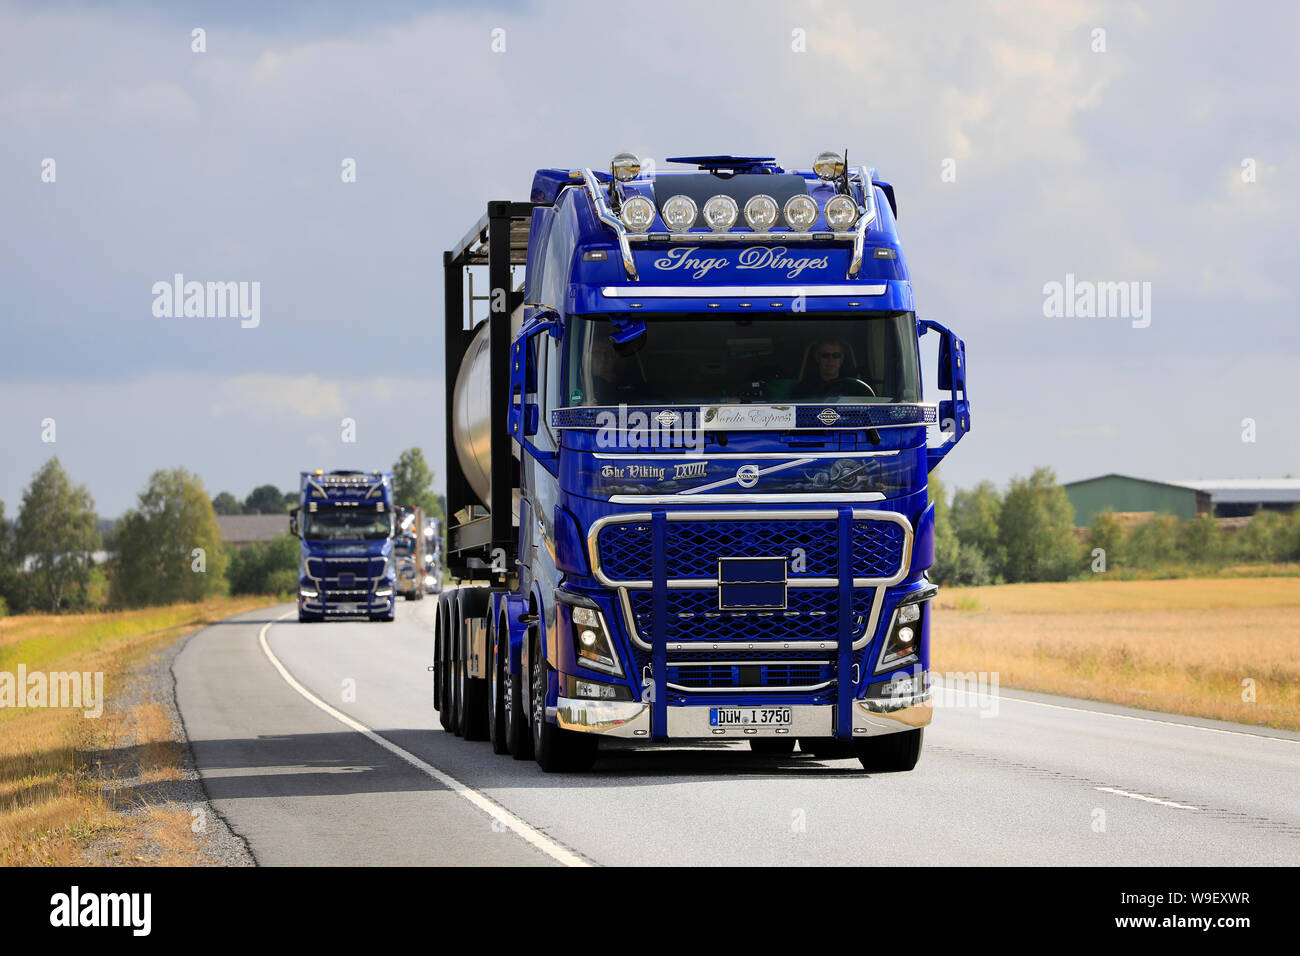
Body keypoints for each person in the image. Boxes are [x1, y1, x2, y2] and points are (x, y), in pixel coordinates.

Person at [792, 336, 867, 399]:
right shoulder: (803, 388)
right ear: (817, 358)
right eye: (825, 355)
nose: (830, 360)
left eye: (836, 355)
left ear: (841, 359)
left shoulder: (854, 388)